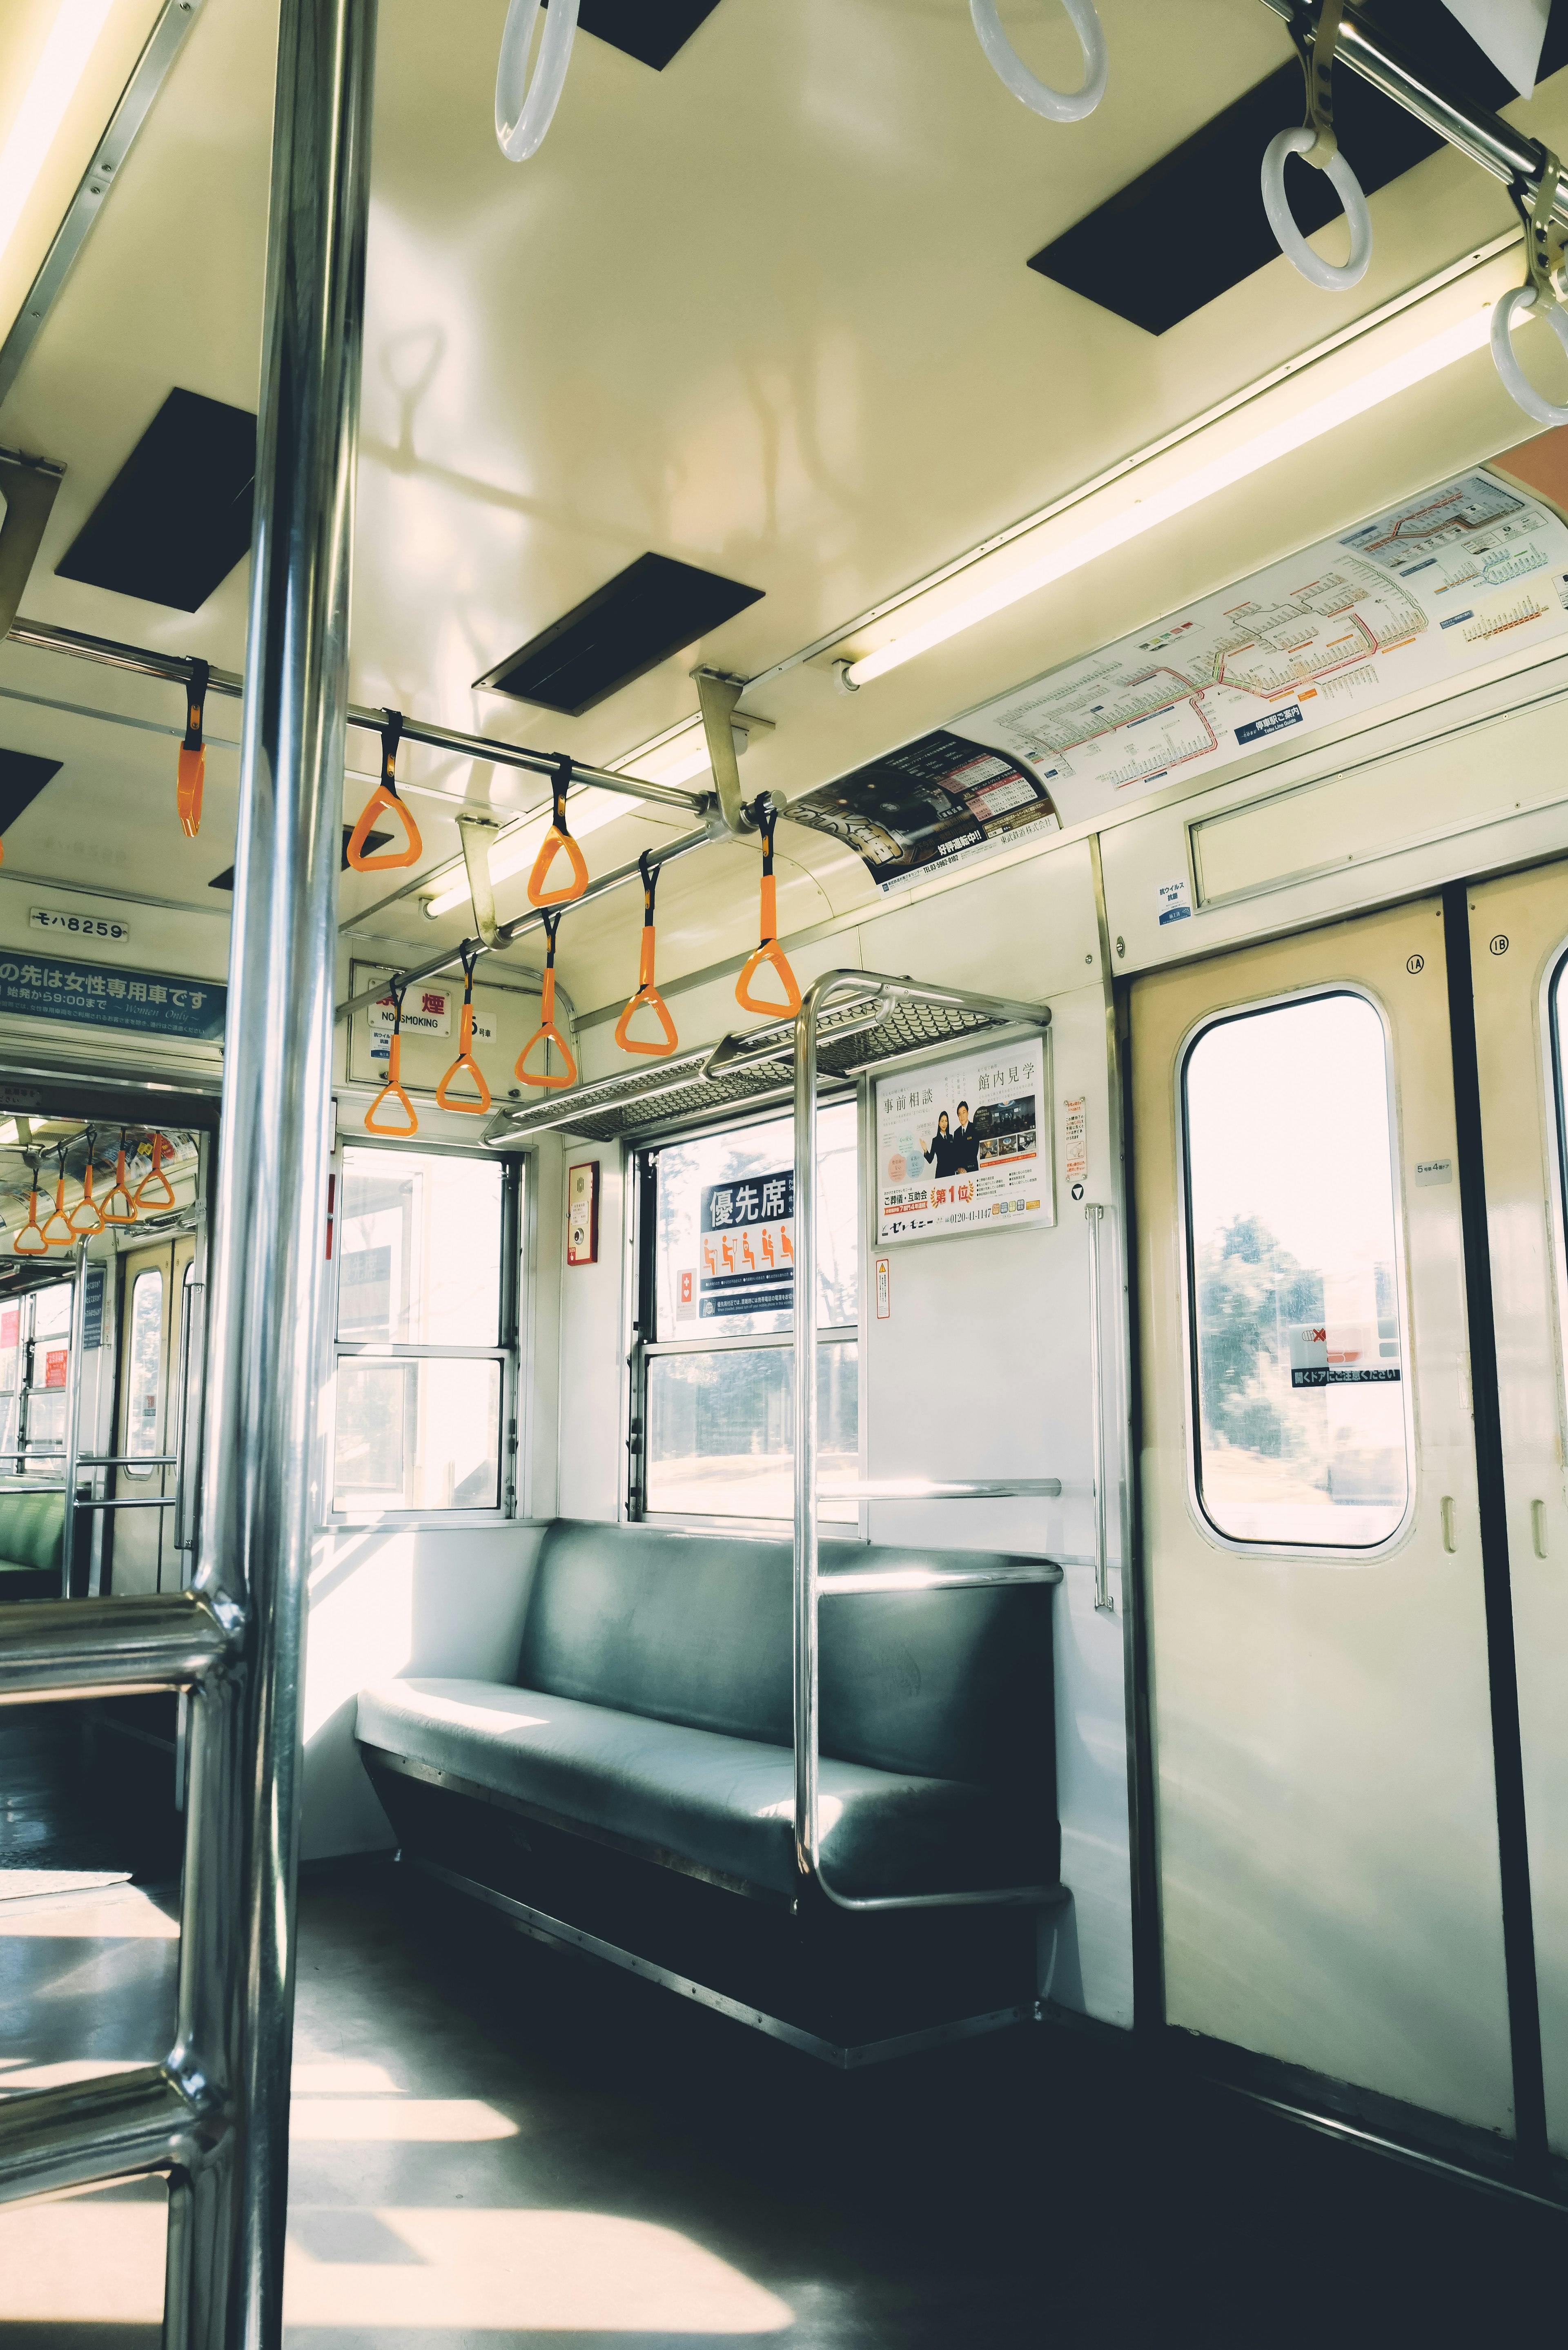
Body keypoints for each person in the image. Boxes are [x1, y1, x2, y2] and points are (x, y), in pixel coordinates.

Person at [922, 1111, 962, 1179]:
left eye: (946, 1121)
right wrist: (925, 1150)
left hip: (951, 1173)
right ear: (939, 1123)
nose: (944, 1124)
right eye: (942, 1121)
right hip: (941, 1173)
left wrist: (958, 1168)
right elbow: (930, 1160)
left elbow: (955, 1156)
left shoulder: (951, 1137)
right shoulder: (936, 1140)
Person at [953, 1100, 979, 1173]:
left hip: (973, 1170)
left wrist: (965, 1169)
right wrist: (958, 1169)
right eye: (960, 1114)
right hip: (960, 1174)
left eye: (964, 1113)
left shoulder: (975, 1128)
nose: (962, 1117)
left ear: (968, 1113)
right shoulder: (956, 1133)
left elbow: (974, 1151)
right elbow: (955, 1154)